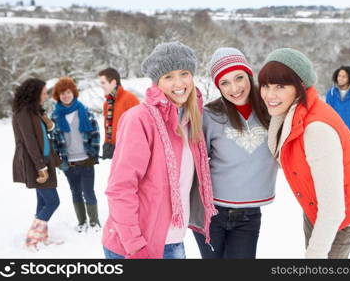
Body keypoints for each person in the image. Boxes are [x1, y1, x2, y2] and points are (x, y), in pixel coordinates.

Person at [102, 41, 217, 259]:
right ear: (157, 83)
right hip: (135, 245)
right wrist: (134, 245)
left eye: (184, 73)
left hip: (173, 242)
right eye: (168, 76)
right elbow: (121, 188)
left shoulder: (191, 121)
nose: (178, 83)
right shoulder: (140, 119)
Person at [258, 48, 350, 258]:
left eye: (281, 86)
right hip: (316, 208)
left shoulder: (316, 130)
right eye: (266, 85)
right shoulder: (289, 112)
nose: (269, 95)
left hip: (341, 219)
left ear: (300, 87)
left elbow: (333, 212)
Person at [192, 47, 278, 259]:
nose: (234, 88)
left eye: (239, 77)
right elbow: (193, 159)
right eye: (225, 82)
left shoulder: (272, 111)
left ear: (249, 75)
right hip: (210, 211)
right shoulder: (210, 115)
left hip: (249, 214)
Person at [12, 78, 61, 250]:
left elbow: (42, 132)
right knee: (53, 202)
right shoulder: (23, 113)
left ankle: (41, 236)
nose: (46, 95)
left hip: (44, 159)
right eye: (44, 92)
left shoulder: (34, 111)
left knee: (43, 201)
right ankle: (32, 239)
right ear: (34, 93)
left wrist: (47, 121)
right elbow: (30, 142)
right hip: (35, 162)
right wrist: (41, 167)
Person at [51, 77, 101, 232]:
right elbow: (53, 140)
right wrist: (59, 160)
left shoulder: (85, 111)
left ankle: (94, 221)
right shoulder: (55, 116)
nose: (65, 96)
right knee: (76, 192)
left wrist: (93, 154)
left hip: (86, 159)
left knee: (88, 192)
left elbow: (95, 133)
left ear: (73, 92)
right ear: (57, 96)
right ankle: (81, 222)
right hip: (68, 162)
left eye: (67, 92)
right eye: (62, 93)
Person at [98, 68, 140, 159]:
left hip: (128, 151)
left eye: (103, 83)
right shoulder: (107, 103)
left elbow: (140, 129)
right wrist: (107, 147)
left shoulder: (130, 99)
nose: (101, 86)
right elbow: (108, 129)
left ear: (113, 82)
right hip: (111, 149)